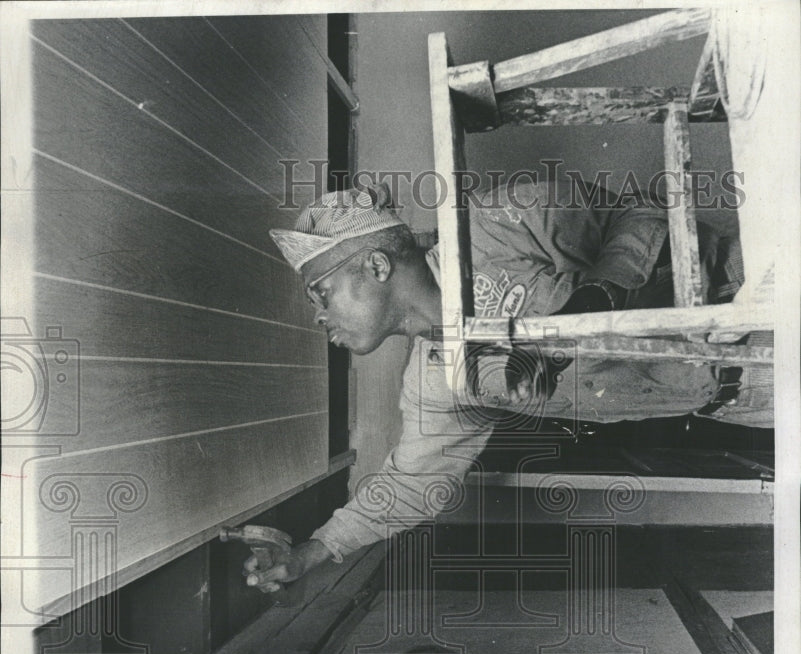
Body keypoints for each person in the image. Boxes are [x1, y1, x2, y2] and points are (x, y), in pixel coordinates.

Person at [247, 180, 771, 592]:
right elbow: (410, 486)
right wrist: (308, 554)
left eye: (323, 293)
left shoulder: (491, 226)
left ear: (377, 265)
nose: (319, 316)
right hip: (746, 396)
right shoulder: (435, 380)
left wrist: (578, 318)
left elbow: (644, 212)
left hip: (757, 295)